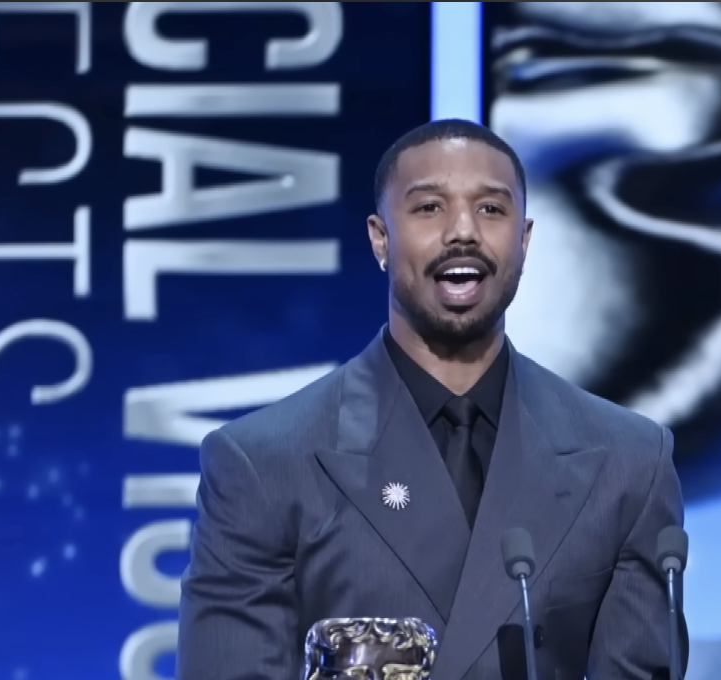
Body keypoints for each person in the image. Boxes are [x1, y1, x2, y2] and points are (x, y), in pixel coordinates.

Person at [177, 119, 687, 680]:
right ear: (380, 238)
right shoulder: (265, 465)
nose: (463, 231)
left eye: (490, 209)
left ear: (524, 240)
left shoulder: (629, 463)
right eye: (429, 208)